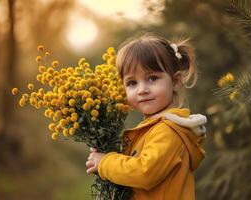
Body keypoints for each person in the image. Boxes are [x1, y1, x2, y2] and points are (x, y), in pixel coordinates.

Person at [86, 32, 207, 200]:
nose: (142, 89)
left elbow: (144, 172)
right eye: (132, 83)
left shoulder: (168, 131)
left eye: (152, 78)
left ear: (176, 82)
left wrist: (106, 162)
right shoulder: (154, 128)